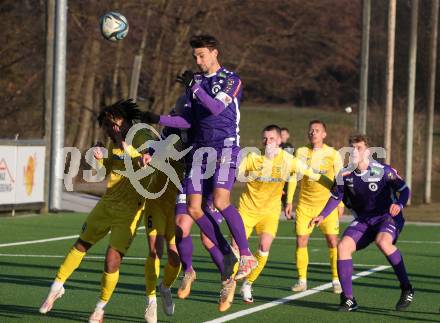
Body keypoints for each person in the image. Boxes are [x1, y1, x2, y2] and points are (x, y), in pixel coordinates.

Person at [141, 34, 256, 312]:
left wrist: (195, 88)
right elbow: (186, 120)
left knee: (220, 201)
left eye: (202, 55)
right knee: (193, 208)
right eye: (195, 56)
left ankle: (247, 254)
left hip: (225, 146)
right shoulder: (196, 84)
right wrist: (157, 118)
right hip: (198, 151)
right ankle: (226, 256)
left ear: (214, 53)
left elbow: (217, 107)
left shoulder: (231, 79)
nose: (198, 60)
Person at [39, 100, 152, 323]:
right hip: (107, 204)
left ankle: (100, 308)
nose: (109, 130)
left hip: (130, 211)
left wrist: (121, 142)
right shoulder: (114, 142)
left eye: (112, 125)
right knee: (81, 244)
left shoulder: (142, 138)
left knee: (111, 261)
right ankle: (56, 287)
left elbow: (142, 164)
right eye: (107, 127)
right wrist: (100, 160)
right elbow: (107, 171)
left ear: (124, 122)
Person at [309, 134, 414, 312]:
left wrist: (399, 203)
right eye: (352, 148)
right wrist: (322, 215)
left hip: (387, 217)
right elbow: (336, 196)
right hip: (364, 220)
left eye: (359, 148)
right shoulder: (345, 174)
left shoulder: (383, 170)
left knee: (383, 242)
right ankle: (349, 299)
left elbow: (404, 189)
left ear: (368, 151)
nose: (355, 151)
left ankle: (407, 288)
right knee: (342, 247)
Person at [237, 125, 319, 303]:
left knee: (264, 247)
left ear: (280, 141)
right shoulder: (253, 157)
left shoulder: (288, 160)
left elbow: (312, 173)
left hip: (270, 212)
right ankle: (228, 283)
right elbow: (234, 174)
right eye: (265, 139)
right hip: (247, 209)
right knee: (236, 250)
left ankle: (248, 284)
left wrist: (337, 183)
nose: (268, 142)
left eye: (272, 139)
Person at [285, 120, 344, 293]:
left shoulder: (333, 154)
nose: (313, 133)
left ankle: (336, 280)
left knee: (333, 241)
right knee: (301, 241)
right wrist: (289, 201)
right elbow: (294, 177)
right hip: (305, 206)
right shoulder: (301, 152)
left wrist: (340, 203)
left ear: (324, 134)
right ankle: (302, 281)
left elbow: (340, 181)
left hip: (327, 207)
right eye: (311, 130)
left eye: (317, 130)